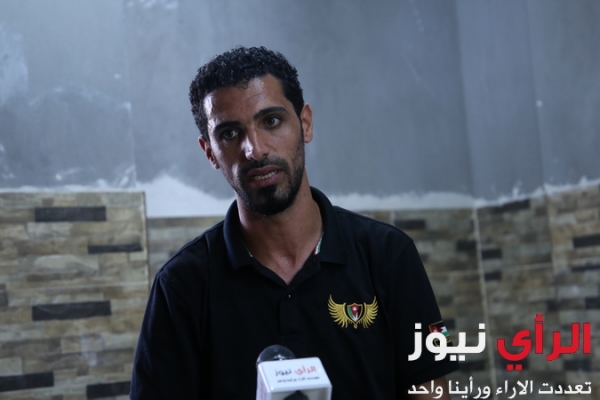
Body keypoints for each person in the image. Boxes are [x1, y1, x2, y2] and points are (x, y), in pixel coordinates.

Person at [131, 46, 458, 399]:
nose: (255, 149)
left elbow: (430, 391)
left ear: (305, 123)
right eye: (229, 133)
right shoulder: (181, 285)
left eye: (271, 121)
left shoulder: (390, 255)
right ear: (209, 151)